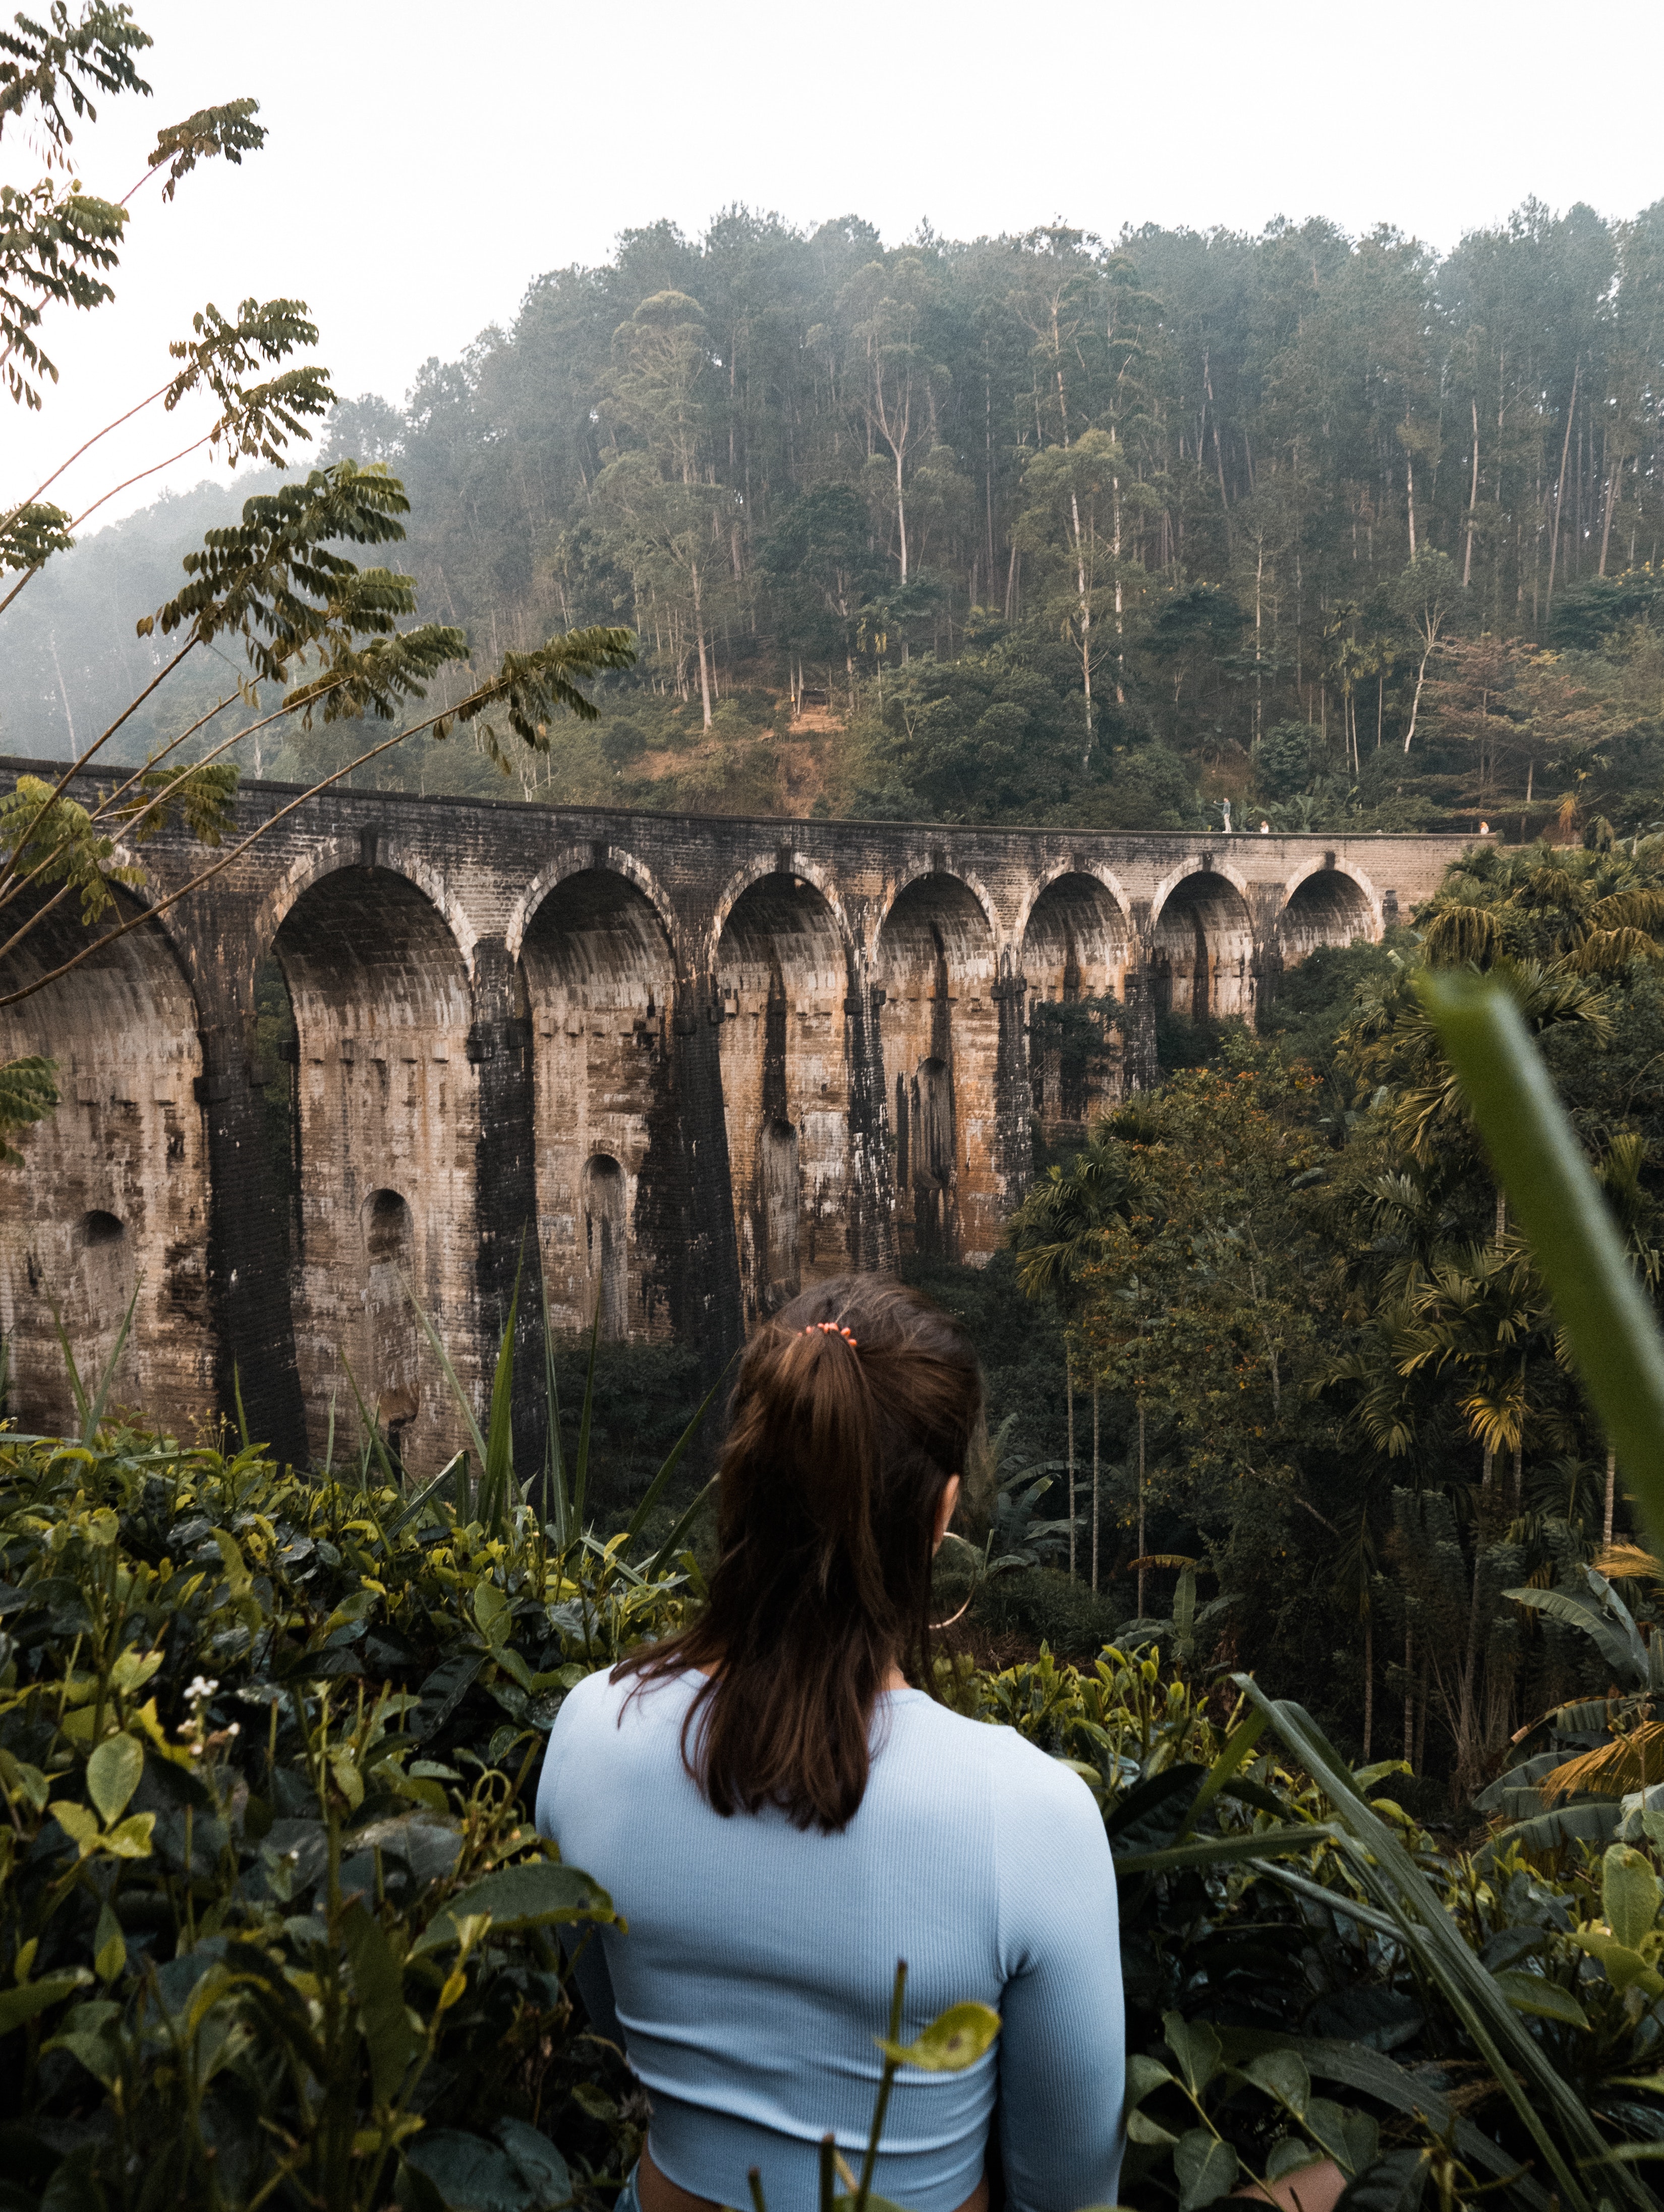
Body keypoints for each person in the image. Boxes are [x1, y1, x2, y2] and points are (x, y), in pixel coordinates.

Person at [535, 1274, 1124, 2212]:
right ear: (941, 1515)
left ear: (744, 1476)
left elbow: (613, 2026)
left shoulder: (589, 1735)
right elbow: (1069, 2191)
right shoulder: (1032, 1816)